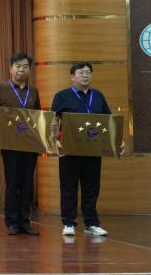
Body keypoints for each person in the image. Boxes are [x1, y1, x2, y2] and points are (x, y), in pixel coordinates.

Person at [52, 61, 124, 237]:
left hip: (93, 149)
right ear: (72, 76)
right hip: (69, 149)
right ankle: (68, 223)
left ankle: (91, 223)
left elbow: (108, 121)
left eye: (88, 72)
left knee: (91, 187)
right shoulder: (62, 96)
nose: (85, 75)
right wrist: (55, 140)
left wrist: (118, 141)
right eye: (81, 72)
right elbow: (53, 121)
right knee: (68, 186)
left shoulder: (98, 96)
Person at [0, 53, 41, 236]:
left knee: (27, 184)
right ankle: (11, 222)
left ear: (29, 70)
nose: (21, 70)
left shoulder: (33, 92)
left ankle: (25, 222)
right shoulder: (1, 89)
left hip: (30, 145)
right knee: (12, 183)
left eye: (25, 67)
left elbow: (38, 117)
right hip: (9, 145)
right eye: (18, 66)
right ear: (10, 68)